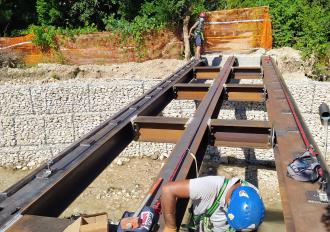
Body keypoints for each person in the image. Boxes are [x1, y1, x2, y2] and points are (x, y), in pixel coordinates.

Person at [161, 175, 265, 232]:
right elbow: (168, 190)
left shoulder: (254, 196)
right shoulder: (209, 187)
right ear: (228, 204)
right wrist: (171, 227)